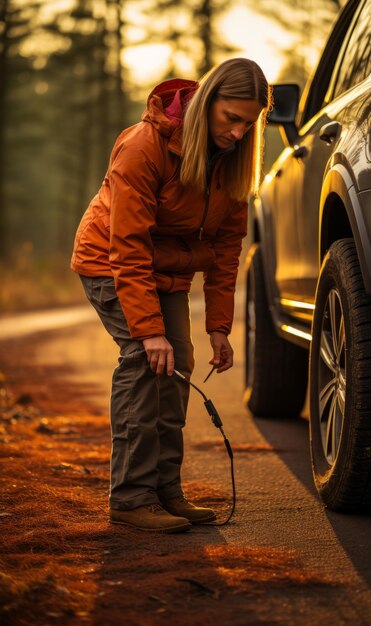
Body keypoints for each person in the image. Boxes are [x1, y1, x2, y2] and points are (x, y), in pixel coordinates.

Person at [71, 57, 271, 533]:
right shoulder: (144, 146)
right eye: (232, 119)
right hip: (112, 263)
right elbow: (129, 246)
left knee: (177, 364)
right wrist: (147, 330)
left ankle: (165, 491)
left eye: (250, 123)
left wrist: (219, 326)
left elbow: (226, 248)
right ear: (207, 104)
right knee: (146, 360)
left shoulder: (235, 161)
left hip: (168, 272)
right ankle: (131, 497)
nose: (240, 133)